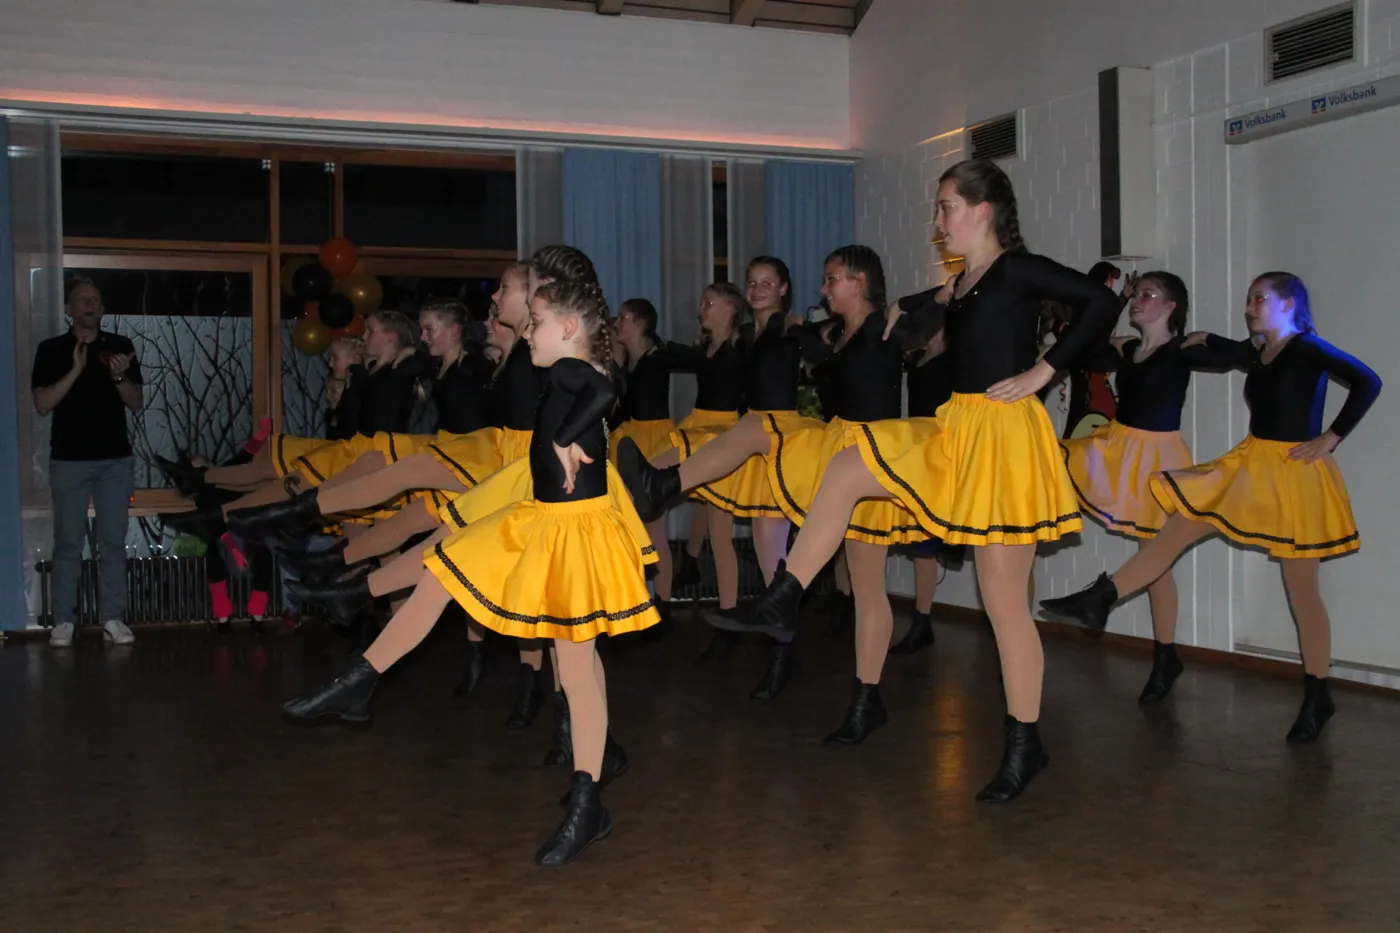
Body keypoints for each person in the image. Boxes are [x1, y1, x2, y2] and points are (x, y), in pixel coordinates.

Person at [283, 278, 658, 866]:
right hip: (543, 521)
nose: (527, 333)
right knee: (444, 570)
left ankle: (589, 802)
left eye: (536, 323)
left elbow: (602, 391)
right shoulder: (566, 370)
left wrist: (563, 436)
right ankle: (359, 680)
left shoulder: (572, 370)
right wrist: (563, 436)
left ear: (569, 329)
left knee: (576, 668)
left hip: (573, 535)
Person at [1041, 271, 1381, 741]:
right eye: (1248, 299)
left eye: (1259, 298)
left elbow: (1368, 381)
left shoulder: (1307, 347)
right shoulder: (1258, 351)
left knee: (1302, 592)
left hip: (1295, 474)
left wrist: (1331, 437)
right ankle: (1101, 598)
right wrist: (1206, 338)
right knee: (1179, 526)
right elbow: (1227, 351)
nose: (1250, 306)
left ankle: (1318, 693)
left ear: (1288, 305)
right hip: (1252, 463)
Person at [1054, 271, 1241, 701]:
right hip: (1118, 448)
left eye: (1147, 295)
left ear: (1170, 307)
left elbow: (1241, 356)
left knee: (1155, 557)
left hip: (1158, 459)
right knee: (1057, 459)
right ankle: (1163, 657)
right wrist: (1117, 305)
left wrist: (1209, 337)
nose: (1138, 300)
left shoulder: (1180, 351)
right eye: (1136, 294)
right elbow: (1083, 348)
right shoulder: (1126, 349)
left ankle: (1164, 656)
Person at [31, 278, 143, 647]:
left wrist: (119, 375)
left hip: (115, 461)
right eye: (82, 300)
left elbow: (136, 402)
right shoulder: (51, 349)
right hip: (69, 461)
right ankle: (64, 621)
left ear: (102, 309)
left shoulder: (120, 347)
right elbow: (43, 403)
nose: (89, 304)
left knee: (112, 542)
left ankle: (113, 618)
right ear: (69, 309)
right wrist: (76, 369)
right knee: (67, 542)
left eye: (95, 299)